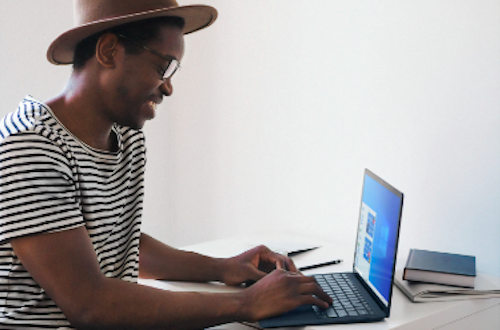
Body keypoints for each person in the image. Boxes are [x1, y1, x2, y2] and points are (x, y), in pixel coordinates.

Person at [0, 1, 331, 329]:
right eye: (163, 68)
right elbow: (89, 305)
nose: (169, 88)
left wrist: (224, 268)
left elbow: (121, 244)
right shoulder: (30, 147)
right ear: (109, 50)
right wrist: (247, 303)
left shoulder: (125, 135)